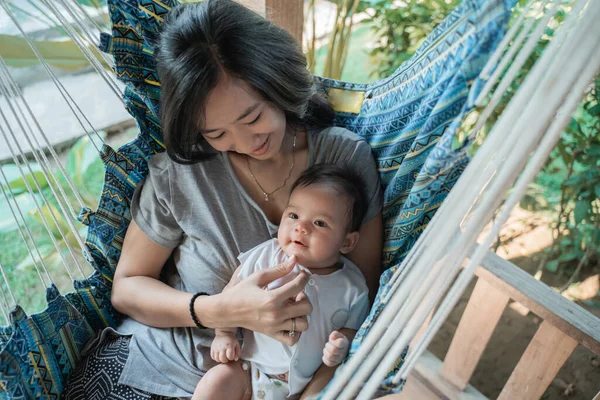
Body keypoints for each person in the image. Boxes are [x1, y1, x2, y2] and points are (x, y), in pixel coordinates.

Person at [64, 0, 383, 398]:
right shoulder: (178, 175)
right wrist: (224, 310)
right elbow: (127, 288)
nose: (245, 143)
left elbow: (364, 306)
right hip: (156, 364)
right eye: (217, 134)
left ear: (277, 81)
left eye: (252, 118)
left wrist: (312, 391)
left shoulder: (344, 160)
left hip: (282, 384)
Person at [197, 164, 370, 400]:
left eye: (319, 223)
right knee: (216, 381)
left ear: (347, 242)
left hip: (302, 388)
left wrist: (342, 344)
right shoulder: (267, 256)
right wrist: (224, 334)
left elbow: (354, 329)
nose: (301, 227)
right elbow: (231, 293)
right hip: (250, 373)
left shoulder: (353, 286)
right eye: (294, 215)